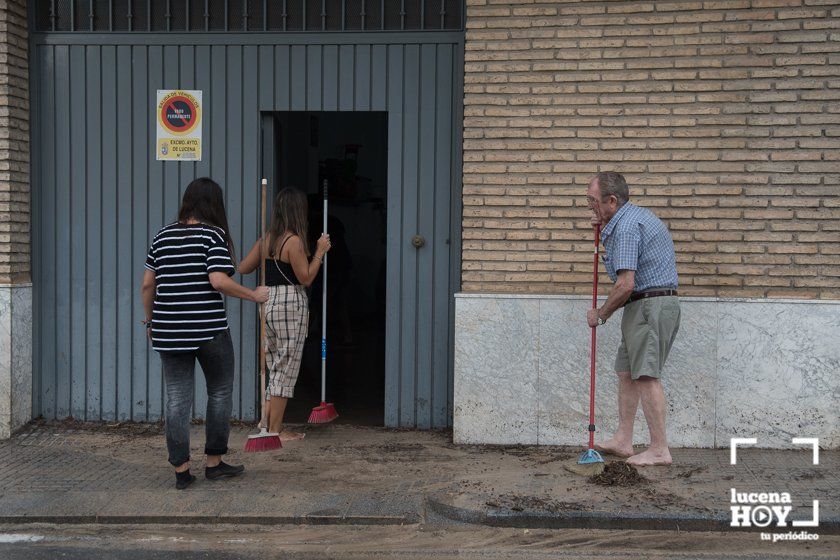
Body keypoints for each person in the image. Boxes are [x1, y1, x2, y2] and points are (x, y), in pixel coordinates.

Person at [140, 177, 269, 490]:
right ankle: (214, 463)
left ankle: (181, 471)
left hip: (169, 331)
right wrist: (254, 295)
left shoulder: (162, 235)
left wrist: (150, 322)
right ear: (214, 204)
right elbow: (218, 281)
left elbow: (147, 284)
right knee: (220, 392)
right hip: (209, 330)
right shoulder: (213, 234)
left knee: (176, 399)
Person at [585, 171, 681, 466]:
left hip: (649, 306)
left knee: (646, 375)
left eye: (593, 202)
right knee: (627, 372)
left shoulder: (626, 227)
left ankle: (659, 449)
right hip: (641, 306)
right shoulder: (625, 222)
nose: (591, 208)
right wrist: (604, 229)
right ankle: (623, 440)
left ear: (611, 201)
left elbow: (625, 284)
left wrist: (601, 315)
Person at [239, 187, 331, 441]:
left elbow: (243, 268)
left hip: (267, 301)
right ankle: (275, 431)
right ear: (298, 211)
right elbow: (306, 278)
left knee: (274, 364)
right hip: (291, 301)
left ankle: (266, 422)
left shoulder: (266, 239)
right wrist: (320, 252)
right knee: (286, 367)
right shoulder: (293, 241)